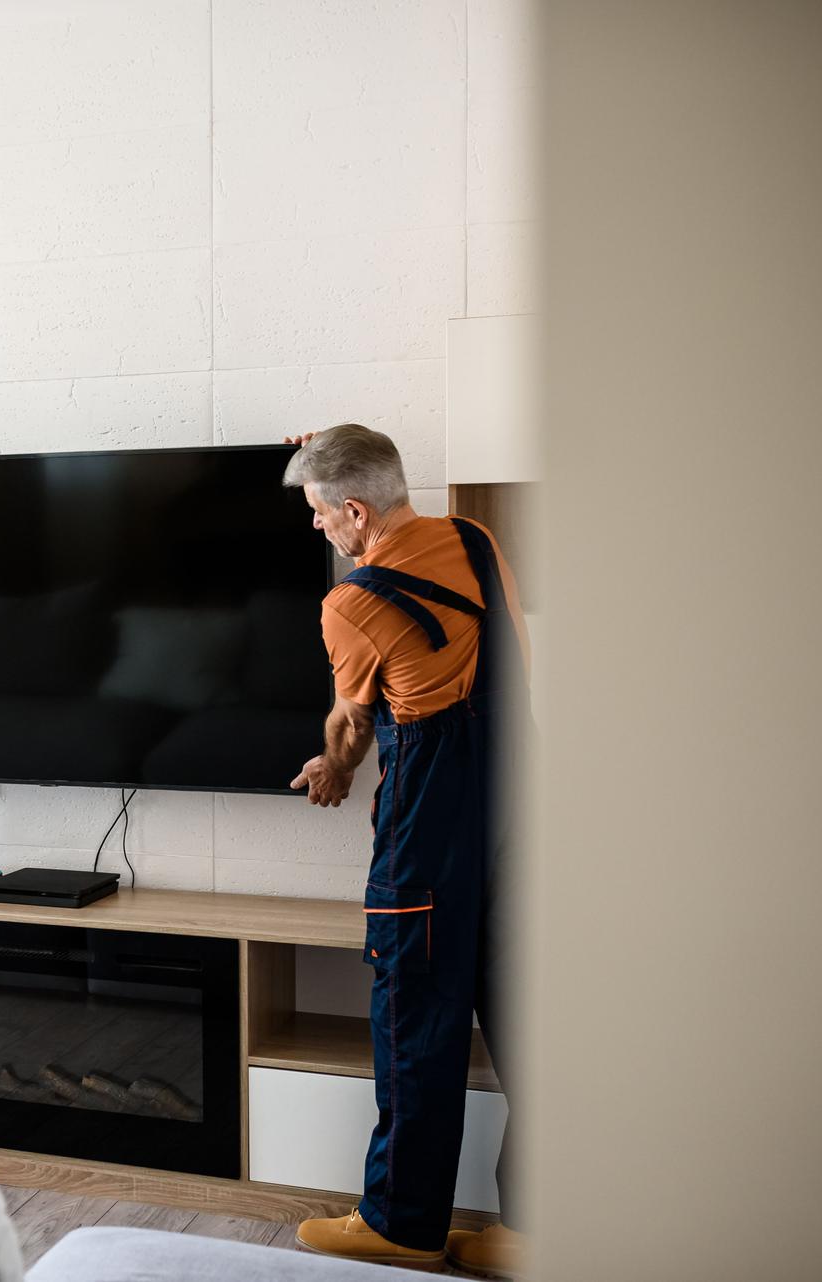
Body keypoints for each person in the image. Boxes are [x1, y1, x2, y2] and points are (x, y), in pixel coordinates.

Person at [281, 425, 529, 1278]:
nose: (317, 527)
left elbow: (352, 725)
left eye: (319, 512)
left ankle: (401, 1224)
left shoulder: (350, 603)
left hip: (431, 831)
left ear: (354, 510)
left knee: (415, 1019)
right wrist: (326, 450)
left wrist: (334, 768)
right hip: (521, 810)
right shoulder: (475, 537)